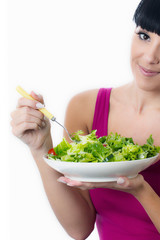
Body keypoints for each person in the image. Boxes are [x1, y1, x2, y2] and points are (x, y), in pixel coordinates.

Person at [10, 0, 160, 239]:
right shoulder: (86, 108)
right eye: (144, 36)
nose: (151, 56)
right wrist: (41, 148)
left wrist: (141, 189)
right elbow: (79, 228)